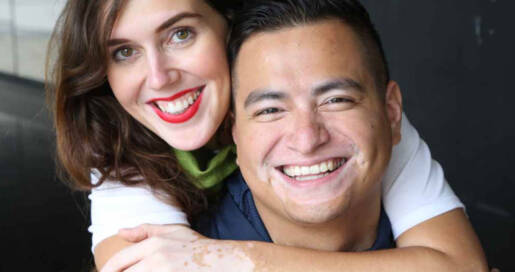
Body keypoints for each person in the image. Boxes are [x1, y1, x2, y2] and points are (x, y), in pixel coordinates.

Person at [47, 0, 485, 270]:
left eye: (181, 34)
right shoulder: (122, 153)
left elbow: (459, 268)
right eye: (124, 52)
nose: (159, 78)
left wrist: (233, 261)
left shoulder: (355, 121)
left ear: (229, 25)